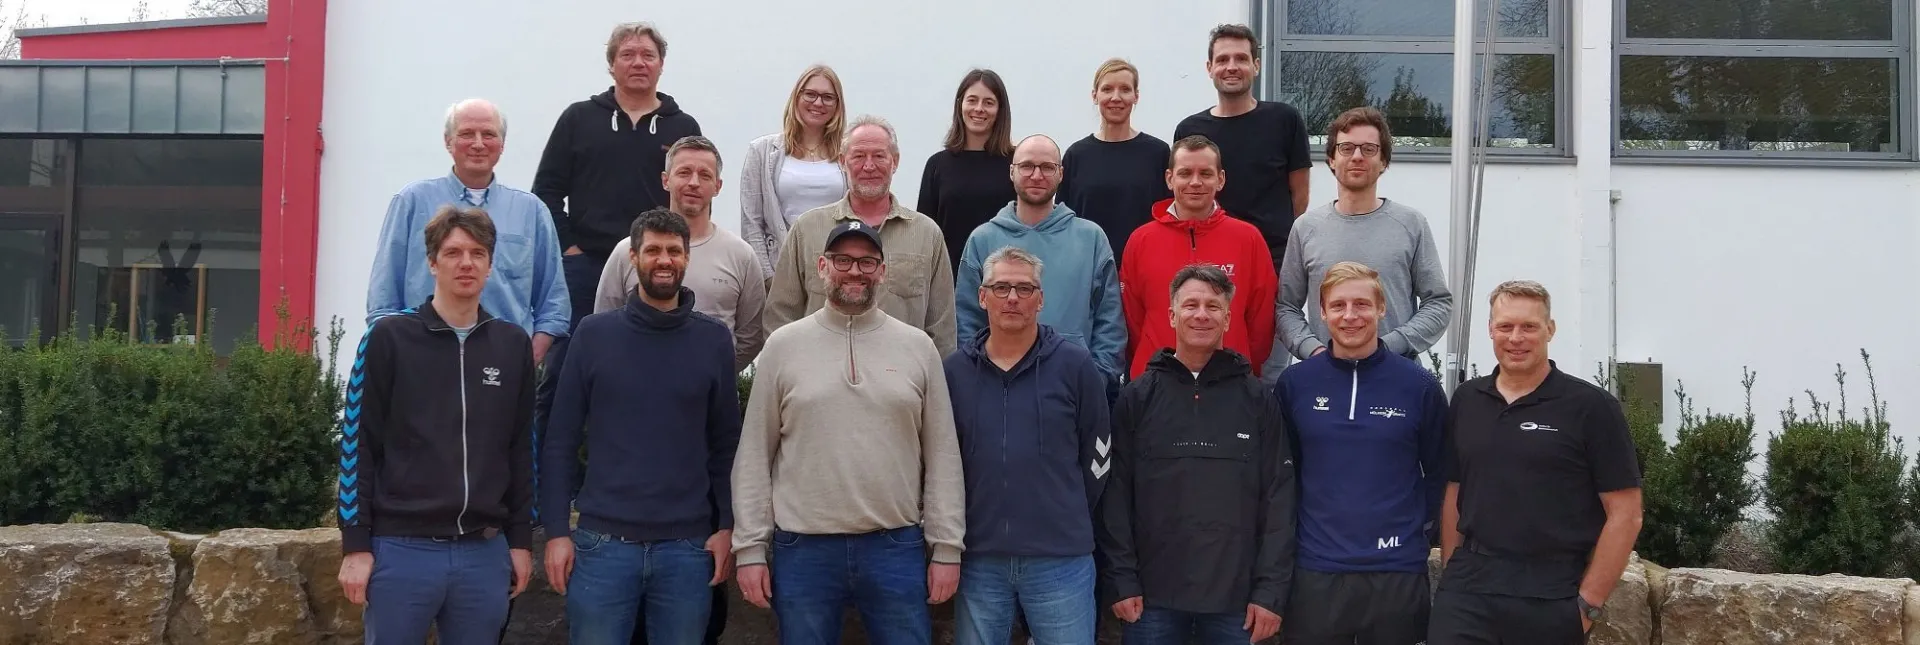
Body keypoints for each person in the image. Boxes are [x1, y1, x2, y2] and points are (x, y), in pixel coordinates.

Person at [732, 219, 966, 645]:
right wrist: (749, 549)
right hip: (804, 551)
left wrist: (947, 547)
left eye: (866, 262)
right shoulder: (782, 347)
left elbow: (943, 455)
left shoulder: (918, 347)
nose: (854, 271)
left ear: (883, 271)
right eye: (842, 260)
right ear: (822, 267)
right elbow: (753, 456)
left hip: (894, 547)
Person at [337, 205, 536, 644]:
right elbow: (357, 446)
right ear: (432, 262)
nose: (466, 263)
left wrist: (520, 540)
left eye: (478, 253)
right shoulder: (389, 338)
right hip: (402, 551)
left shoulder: (511, 345)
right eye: (453, 253)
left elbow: (522, 450)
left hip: (483, 553)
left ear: (489, 264)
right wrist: (356, 544)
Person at [542, 209, 741, 645]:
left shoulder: (713, 341)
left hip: (687, 549)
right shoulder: (593, 336)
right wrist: (557, 531)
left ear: (687, 258)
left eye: (674, 250)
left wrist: (727, 526)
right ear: (633, 257)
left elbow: (726, 444)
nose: (664, 260)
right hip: (602, 545)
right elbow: (559, 441)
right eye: (653, 250)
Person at [1430, 281, 1644, 645]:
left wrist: (1588, 605)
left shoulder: (1591, 407)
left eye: (1529, 327)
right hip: (1468, 589)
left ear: (1550, 329)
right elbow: (1455, 489)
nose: (1516, 338)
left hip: (1552, 591)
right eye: (1505, 326)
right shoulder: (1467, 399)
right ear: (1490, 330)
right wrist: (1453, 570)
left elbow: (1627, 513)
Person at [1097, 264, 1294, 645]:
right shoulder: (1137, 397)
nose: (1201, 314)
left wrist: (1270, 592)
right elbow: (1115, 495)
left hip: (1236, 605)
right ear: (1172, 315)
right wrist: (1121, 580)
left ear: (1227, 317)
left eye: (1212, 306)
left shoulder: (1258, 400)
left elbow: (1279, 498)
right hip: (1150, 602)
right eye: (1190, 305)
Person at [944, 246, 1110, 645]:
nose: (1013, 297)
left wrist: (1060, 509)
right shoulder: (953, 372)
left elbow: (1100, 455)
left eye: (1024, 288)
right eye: (1001, 287)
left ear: (1041, 299)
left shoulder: (1075, 366)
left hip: (1060, 558)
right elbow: (941, 462)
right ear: (982, 297)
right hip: (979, 557)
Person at [1273, 261, 1446, 645]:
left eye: (1362, 304)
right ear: (1322, 312)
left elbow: (1440, 472)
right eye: (1338, 306)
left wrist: (1421, 532)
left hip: (1397, 570)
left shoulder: (1418, 385)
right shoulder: (1294, 385)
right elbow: (1282, 475)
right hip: (1316, 571)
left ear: (1381, 308)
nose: (1350, 316)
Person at [366, 98, 568, 363]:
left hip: (502, 364)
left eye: (488, 134)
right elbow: (383, 298)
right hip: (421, 360)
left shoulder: (531, 212)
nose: (478, 144)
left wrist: (527, 359)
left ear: (502, 144)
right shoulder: (412, 202)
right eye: (466, 134)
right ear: (448, 141)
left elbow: (554, 303)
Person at [534, 21, 702, 330]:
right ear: (612, 65)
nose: (638, 62)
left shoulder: (683, 128)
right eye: (627, 54)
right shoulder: (578, 118)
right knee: (571, 360)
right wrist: (569, 249)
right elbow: (546, 191)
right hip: (586, 265)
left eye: (648, 55)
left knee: (654, 356)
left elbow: (696, 194)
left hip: (656, 262)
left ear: (661, 64)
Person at [765, 114, 958, 358]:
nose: (869, 166)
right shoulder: (807, 229)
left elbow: (942, 330)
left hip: (901, 385)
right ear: (843, 161)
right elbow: (780, 316)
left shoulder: (927, 234)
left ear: (894, 161)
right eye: (858, 156)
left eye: (879, 156)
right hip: (820, 384)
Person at [1278, 107, 1451, 364]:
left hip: (1395, 373)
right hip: (1327, 379)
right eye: (1346, 148)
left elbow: (1438, 303)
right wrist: (1312, 351)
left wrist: (1389, 347)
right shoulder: (1306, 227)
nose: (1357, 156)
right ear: (1331, 159)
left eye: (1369, 149)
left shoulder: (1411, 224)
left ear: (1383, 161)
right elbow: (1285, 307)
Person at [955, 134, 1124, 382]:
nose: (1037, 175)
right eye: (1027, 166)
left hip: (1074, 386)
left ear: (1061, 174)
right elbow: (966, 319)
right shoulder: (983, 239)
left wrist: (1097, 380)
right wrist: (981, 378)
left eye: (1047, 167)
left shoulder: (1091, 238)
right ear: (1012, 172)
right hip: (999, 384)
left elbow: (1110, 320)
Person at [596, 136, 767, 370]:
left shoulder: (741, 256)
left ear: (718, 186)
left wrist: (714, 374)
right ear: (666, 180)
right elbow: (604, 324)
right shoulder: (628, 251)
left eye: (705, 175)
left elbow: (752, 334)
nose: (694, 183)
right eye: (684, 172)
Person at [1118, 135, 1277, 380]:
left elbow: (1261, 320)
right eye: (1185, 173)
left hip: (1229, 382)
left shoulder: (1248, 239)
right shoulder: (1141, 240)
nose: (1195, 182)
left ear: (1220, 179)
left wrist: (1239, 364)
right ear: (1169, 179)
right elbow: (1132, 319)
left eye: (1205, 173)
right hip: (1157, 383)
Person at [1173, 23, 1312, 272]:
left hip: (1272, 260)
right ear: (1210, 68)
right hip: (1208, 261)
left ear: (1255, 66)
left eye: (1241, 58)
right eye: (1222, 59)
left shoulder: (1284, 119)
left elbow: (1299, 195)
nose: (1231, 67)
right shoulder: (1190, 129)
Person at [741, 64, 850, 282]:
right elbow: (751, 221)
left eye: (828, 97)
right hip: (782, 268)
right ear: (796, 97)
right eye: (810, 94)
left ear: (838, 105)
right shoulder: (762, 151)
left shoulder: (848, 153)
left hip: (836, 270)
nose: (818, 103)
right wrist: (768, 278)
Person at [1058, 58, 1171, 262]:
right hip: (1089, 267)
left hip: (1145, 264)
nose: (1116, 97)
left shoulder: (1158, 153)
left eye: (1125, 89)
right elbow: (1064, 222)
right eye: (1107, 89)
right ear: (1095, 95)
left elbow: (1169, 216)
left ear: (1136, 96)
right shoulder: (1076, 155)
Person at [919, 68, 1016, 273]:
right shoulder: (937, 165)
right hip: (948, 282)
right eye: (972, 100)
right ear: (960, 105)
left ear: (1000, 110)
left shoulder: (1017, 164)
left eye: (988, 102)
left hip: (1005, 283)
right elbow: (925, 234)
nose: (979, 108)